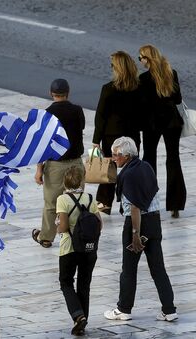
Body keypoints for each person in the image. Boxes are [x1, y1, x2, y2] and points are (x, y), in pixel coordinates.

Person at [103, 137, 177, 322]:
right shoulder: (146, 167)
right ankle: (169, 310)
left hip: (136, 224)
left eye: (116, 155)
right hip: (154, 223)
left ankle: (123, 309)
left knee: (128, 270)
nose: (114, 158)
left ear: (126, 155)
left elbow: (134, 207)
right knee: (158, 269)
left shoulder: (128, 175)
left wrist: (135, 235)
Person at [33, 79, 85, 248]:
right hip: (76, 163)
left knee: (51, 203)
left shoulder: (47, 114)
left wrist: (39, 169)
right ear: (68, 93)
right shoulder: (77, 111)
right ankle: (76, 233)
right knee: (76, 200)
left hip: (55, 165)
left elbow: (42, 143)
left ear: (51, 93)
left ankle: (46, 237)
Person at [138, 44, 185, 219]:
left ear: (147, 59)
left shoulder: (143, 79)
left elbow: (141, 104)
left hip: (152, 124)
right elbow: (178, 99)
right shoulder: (171, 73)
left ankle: (149, 200)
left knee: (149, 159)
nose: (140, 61)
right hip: (172, 122)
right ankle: (176, 204)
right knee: (173, 159)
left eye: (140, 58)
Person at [92, 51, 142, 215]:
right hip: (132, 135)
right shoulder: (139, 88)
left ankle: (104, 203)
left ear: (118, 68)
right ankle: (128, 203)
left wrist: (95, 140)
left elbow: (101, 116)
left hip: (111, 135)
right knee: (131, 169)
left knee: (109, 169)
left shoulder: (108, 89)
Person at [56, 166, 102, 336]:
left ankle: (78, 315)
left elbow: (64, 226)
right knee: (84, 284)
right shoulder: (90, 198)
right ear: (82, 182)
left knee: (66, 282)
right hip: (89, 249)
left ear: (65, 182)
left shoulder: (63, 199)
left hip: (69, 248)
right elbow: (99, 224)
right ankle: (83, 319)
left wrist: (57, 227)